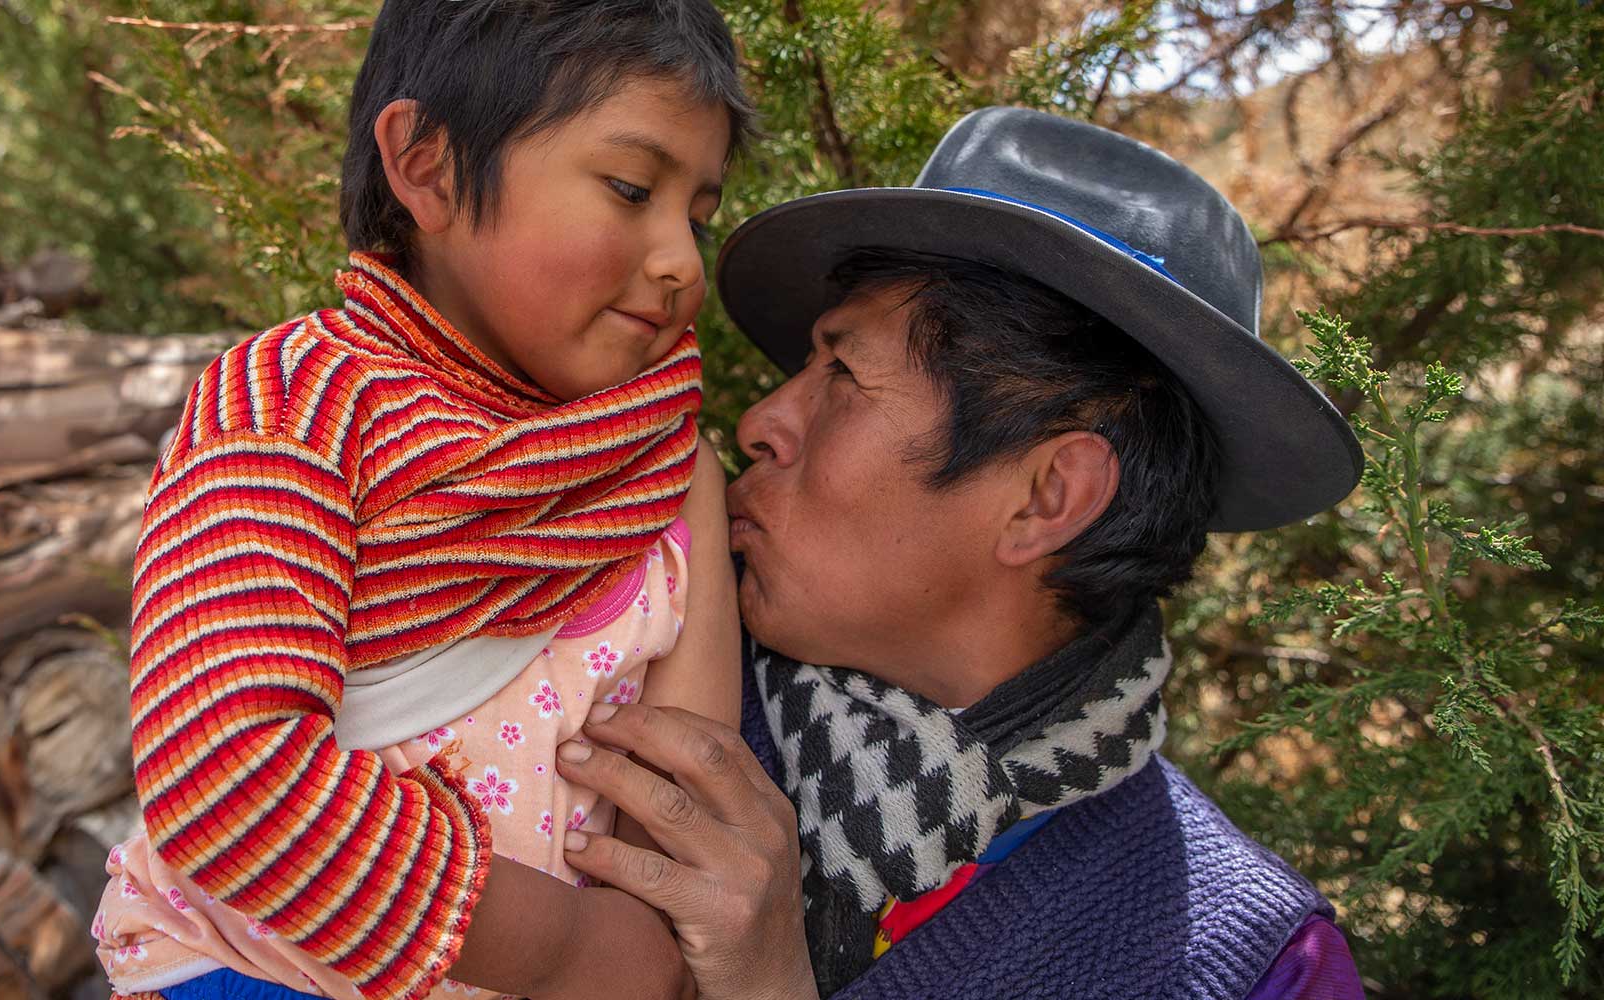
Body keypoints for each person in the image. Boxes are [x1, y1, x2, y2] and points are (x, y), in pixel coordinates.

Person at [554, 107, 1371, 999]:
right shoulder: (606, 669)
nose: (760, 424)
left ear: (1048, 497)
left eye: (845, 375)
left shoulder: (1255, 968)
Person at [90, 3, 752, 999]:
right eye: (628, 188)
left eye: (697, 217)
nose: (679, 262)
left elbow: (690, 790)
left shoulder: (663, 465)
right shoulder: (293, 406)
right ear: (428, 165)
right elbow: (228, 775)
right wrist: (569, 947)